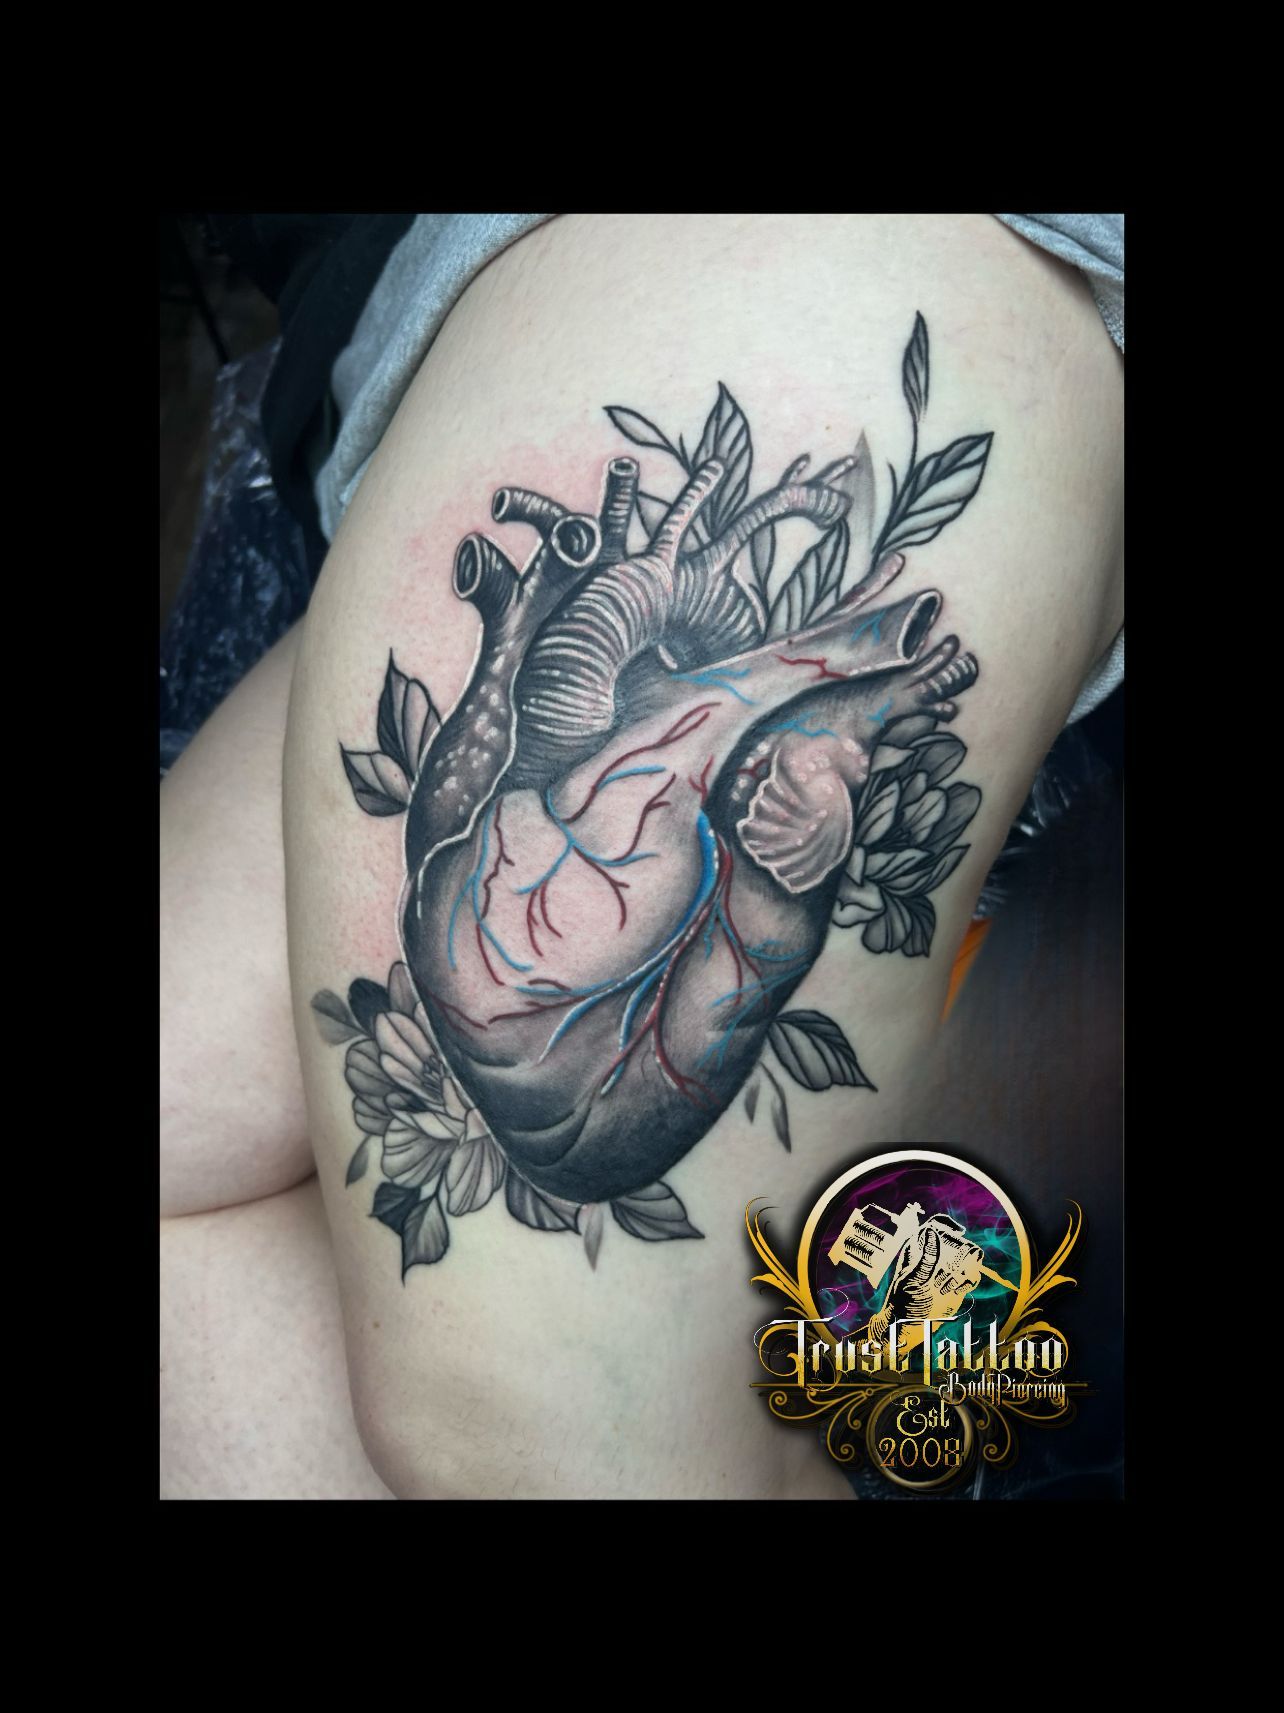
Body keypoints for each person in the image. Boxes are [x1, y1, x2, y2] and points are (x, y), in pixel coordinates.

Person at [160, 213, 1124, 1500]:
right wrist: (778, 873)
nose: (574, 836)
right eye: (562, 843)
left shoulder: (531, 884)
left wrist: (770, 870)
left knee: (531, 1436)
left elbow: (519, 750)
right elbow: (675, 888)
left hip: (837, 264)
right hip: (491, 318)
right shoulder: (607, 943)